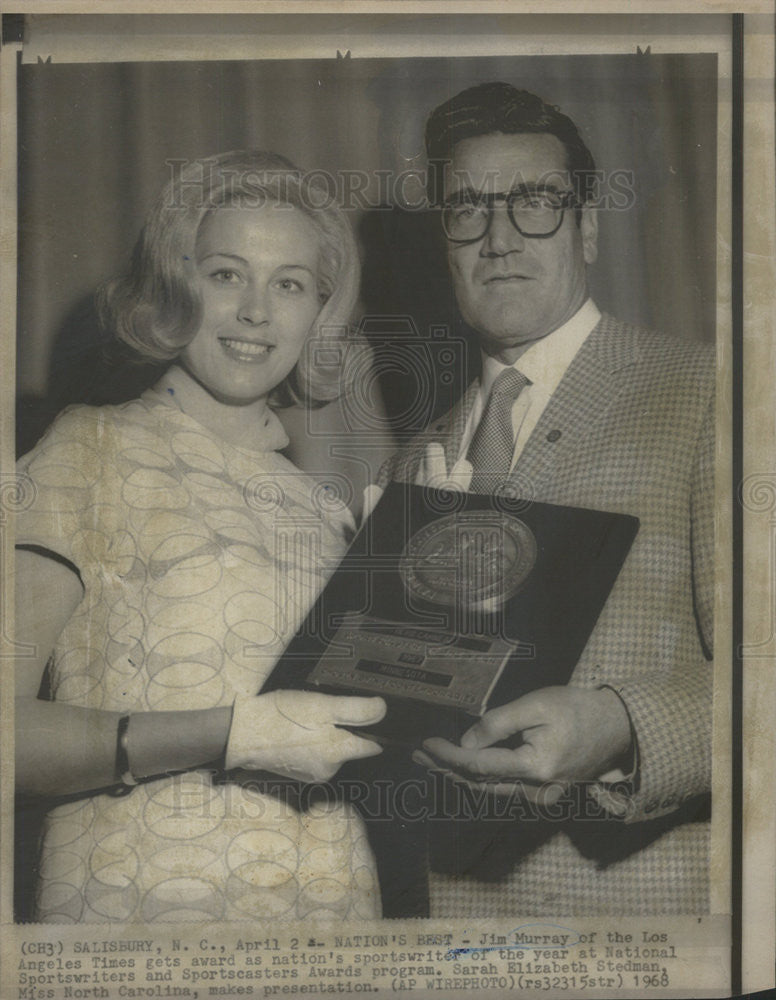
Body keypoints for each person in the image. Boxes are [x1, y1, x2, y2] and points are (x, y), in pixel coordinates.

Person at [14, 149, 389, 924]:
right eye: (225, 274)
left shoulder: (328, 510)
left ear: (319, 310)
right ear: (174, 285)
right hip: (147, 912)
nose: (257, 311)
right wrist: (231, 735)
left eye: (289, 284)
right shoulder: (86, 449)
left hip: (333, 912)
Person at [379, 82, 714, 916]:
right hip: (456, 940)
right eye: (467, 209)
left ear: (588, 227)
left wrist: (624, 726)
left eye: (533, 203)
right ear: (444, 243)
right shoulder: (405, 466)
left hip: (650, 923)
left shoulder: (717, 393)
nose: (497, 238)